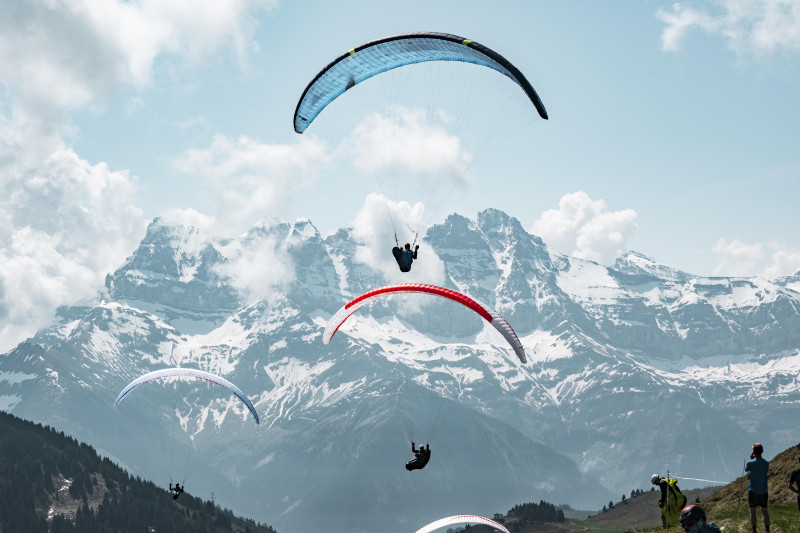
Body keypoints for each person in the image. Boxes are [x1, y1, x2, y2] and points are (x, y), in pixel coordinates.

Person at [745, 443, 770, 533]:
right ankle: (767, 529)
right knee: (764, 511)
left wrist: (751, 458)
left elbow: (746, 469)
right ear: (762, 451)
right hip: (763, 490)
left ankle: (754, 530)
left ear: (754, 452)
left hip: (753, 490)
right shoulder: (766, 463)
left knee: (752, 511)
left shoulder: (750, 462)